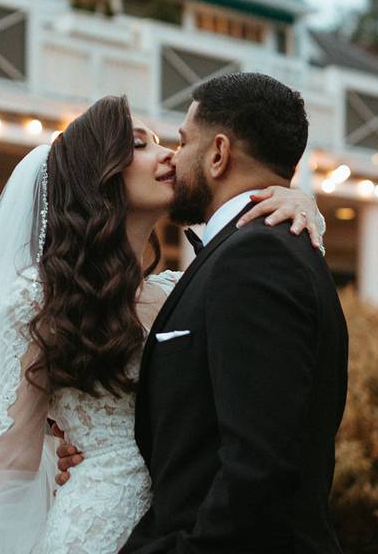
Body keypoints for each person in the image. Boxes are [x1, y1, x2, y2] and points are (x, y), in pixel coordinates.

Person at [0, 92, 325, 553]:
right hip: (95, 528)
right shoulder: (41, 297)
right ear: (97, 173)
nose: (168, 155)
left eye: (164, 141)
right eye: (139, 144)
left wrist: (298, 199)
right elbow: (6, 468)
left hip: (183, 527)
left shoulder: (185, 288)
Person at [59, 73, 349, 553]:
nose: (173, 156)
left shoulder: (256, 259)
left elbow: (260, 466)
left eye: (181, 141)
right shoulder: (257, 252)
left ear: (218, 153)